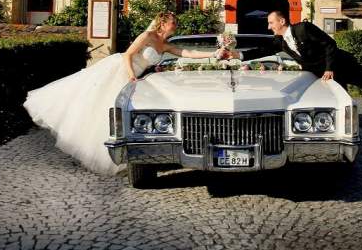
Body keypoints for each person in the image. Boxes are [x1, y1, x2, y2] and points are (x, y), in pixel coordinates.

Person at [23, 11, 221, 174]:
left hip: (135, 75)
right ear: (162, 24)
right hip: (121, 71)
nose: (175, 24)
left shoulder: (165, 45)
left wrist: (213, 54)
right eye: (173, 22)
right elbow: (128, 54)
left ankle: (120, 153)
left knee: (117, 112)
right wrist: (131, 76)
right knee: (107, 106)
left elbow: (188, 53)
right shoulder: (147, 37)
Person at [230, 10, 362, 104]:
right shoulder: (280, 41)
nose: (269, 26)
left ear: (281, 21)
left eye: (271, 22)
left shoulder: (304, 29)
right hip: (319, 75)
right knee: (333, 100)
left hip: (340, 65)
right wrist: (237, 54)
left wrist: (329, 69)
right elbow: (261, 51)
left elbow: (329, 44)